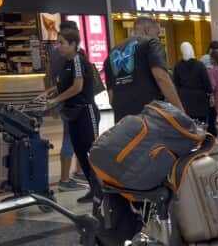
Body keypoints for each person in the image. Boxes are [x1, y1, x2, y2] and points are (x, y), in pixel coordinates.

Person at [43, 28, 101, 206]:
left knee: (92, 151)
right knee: (80, 152)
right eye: (57, 42)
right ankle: (94, 189)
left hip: (85, 111)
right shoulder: (66, 63)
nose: (58, 46)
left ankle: (102, 189)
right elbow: (62, 85)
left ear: (73, 44)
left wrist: (56, 100)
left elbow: (77, 87)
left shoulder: (77, 60)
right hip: (72, 113)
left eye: (61, 43)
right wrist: (48, 93)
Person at [102, 15, 183, 122]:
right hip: (149, 116)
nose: (158, 38)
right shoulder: (151, 43)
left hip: (122, 120)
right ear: (147, 30)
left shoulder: (112, 54)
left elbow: (111, 94)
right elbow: (161, 77)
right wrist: (180, 111)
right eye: (157, 33)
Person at [45, 20, 81, 192]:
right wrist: (56, 100)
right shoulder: (75, 55)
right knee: (72, 138)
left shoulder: (53, 52)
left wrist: (52, 100)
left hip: (61, 99)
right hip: (74, 103)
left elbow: (48, 76)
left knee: (75, 137)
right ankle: (65, 179)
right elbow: (77, 85)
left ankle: (78, 172)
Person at [172, 42, 212, 129]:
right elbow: (206, 82)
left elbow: (175, 83)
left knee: (187, 125)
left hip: (184, 99)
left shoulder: (178, 66)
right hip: (200, 98)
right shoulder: (200, 65)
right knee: (201, 124)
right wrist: (209, 93)